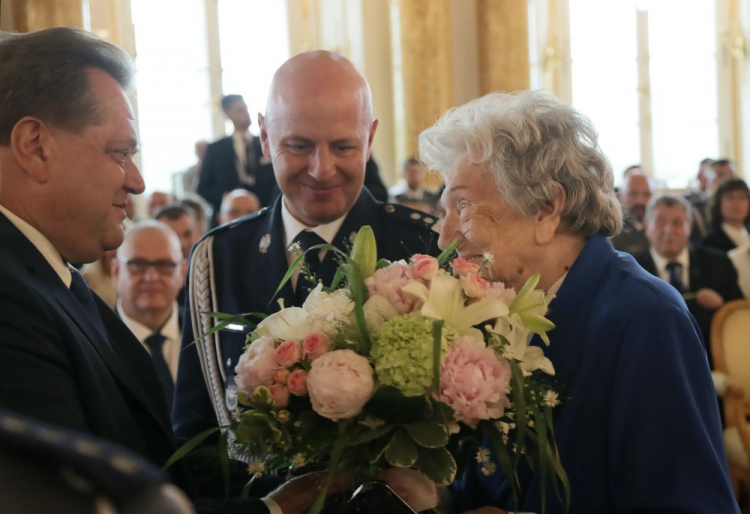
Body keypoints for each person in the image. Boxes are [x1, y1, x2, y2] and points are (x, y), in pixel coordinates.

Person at [0, 27, 347, 514]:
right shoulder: (9, 297)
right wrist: (278, 509)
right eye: (120, 153)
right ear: (35, 145)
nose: (137, 182)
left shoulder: (45, 273)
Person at [399, 90, 737, 513]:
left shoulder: (645, 321)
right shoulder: (503, 308)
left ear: (546, 207)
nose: (444, 238)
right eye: (446, 210)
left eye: (464, 206)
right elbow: (496, 483)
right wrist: (435, 498)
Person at [173, 50, 441, 448]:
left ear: (369, 138)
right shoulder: (219, 258)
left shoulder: (426, 248)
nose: (321, 168)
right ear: (265, 136)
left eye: (343, 147)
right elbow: (195, 433)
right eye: (298, 146)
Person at [635, 195, 743, 361]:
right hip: (651, 361)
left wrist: (722, 306)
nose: (668, 230)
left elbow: (741, 317)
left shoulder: (719, 264)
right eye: (660, 222)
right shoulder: (632, 271)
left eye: (678, 223)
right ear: (646, 225)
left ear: (690, 226)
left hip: (711, 362)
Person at [112, 221, 187, 411]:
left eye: (164, 265)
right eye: (137, 264)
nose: (151, 277)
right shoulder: (94, 338)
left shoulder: (207, 334)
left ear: (183, 272)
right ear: (116, 271)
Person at [198, 94, 279, 226]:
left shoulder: (265, 144)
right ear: (228, 114)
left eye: (246, 109)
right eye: (240, 110)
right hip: (227, 222)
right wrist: (228, 200)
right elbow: (203, 188)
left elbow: (277, 180)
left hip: (264, 218)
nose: (246, 114)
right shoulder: (215, 149)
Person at [609, 171, 655, 255]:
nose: (640, 200)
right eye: (633, 194)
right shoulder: (611, 232)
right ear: (620, 196)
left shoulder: (665, 228)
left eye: (647, 194)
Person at [701, 178, 750, 253]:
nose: (737, 203)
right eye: (730, 197)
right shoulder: (709, 243)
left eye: (742, 197)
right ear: (718, 203)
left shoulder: (747, 234)